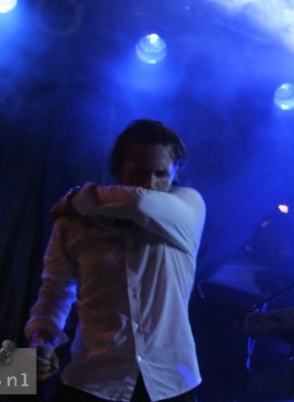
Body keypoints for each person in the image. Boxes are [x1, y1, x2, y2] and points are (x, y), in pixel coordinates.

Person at [24, 119, 206, 402]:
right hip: (92, 380)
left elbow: (141, 203)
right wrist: (41, 337)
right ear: (118, 169)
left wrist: (78, 197)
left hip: (170, 382)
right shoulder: (75, 224)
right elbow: (54, 290)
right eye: (139, 173)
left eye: (161, 174)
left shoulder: (187, 208)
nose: (151, 184)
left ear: (176, 171)